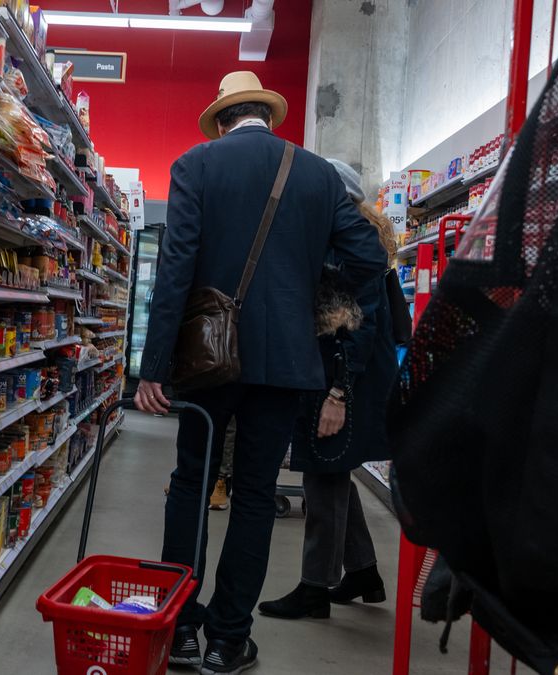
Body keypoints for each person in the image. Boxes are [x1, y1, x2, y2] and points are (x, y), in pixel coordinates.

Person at [134, 71, 386, 675]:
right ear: (266, 118)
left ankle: (183, 630)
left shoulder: (197, 166)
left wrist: (154, 367)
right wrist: (307, 298)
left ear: (222, 119)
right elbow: (371, 258)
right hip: (284, 363)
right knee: (252, 495)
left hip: (205, 358)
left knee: (192, 485)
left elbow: (175, 269)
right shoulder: (317, 173)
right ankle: (228, 640)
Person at [257, 159, 405, 622]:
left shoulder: (350, 247)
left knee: (323, 473)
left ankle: (314, 589)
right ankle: (363, 571)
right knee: (333, 468)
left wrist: (337, 395)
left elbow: (360, 327)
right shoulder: (353, 238)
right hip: (338, 374)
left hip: (343, 378)